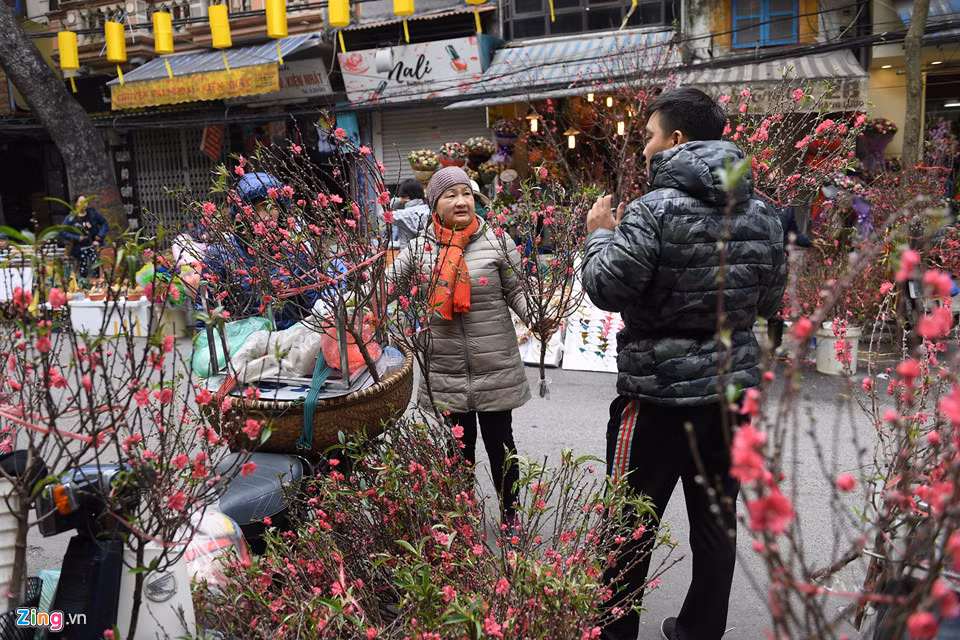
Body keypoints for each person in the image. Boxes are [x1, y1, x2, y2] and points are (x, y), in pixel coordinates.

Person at [581, 88, 786, 640]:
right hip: (730, 396)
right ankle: (699, 631)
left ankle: (614, 632)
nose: (645, 149)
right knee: (716, 523)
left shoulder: (654, 210)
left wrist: (599, 236)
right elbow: (769, 303)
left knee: (628, 523)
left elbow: (605, 286)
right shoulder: (764, 212)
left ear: (675, 140)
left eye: (648, 136)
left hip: (656, 397)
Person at [389, 166, 539, 525]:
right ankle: (461, 519)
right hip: (445, 367)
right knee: (458, 452)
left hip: (495, 364)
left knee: (502, 447)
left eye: (466, 193)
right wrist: (354, 312)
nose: (461, 201)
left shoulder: (498, 240)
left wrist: (535, 316)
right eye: (450, 195)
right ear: (434, 205)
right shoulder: (420, 250)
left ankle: (510, 516)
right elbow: (386, 290)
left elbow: (517, 291)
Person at [182, 172, 320, 330]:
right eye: (255, 208)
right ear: (240, 213)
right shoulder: (221, 253)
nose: (264, 216)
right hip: (240, 347)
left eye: (271, 207)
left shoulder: (295, 253)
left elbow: (313, 307)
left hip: (290, 347)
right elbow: (206, 315)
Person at [61, 195, 108, 278]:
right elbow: (62, 231)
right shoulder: (71, 217)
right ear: (76, 204)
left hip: (93, 245)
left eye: (85, 202)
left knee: (96, 267)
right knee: (83, 271)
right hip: (79, 248)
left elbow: (104, 223)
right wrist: (76, 237)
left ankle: (97, 284)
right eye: (81, 202)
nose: (84, 204)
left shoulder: (93, 214)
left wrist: (99, 236)